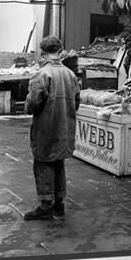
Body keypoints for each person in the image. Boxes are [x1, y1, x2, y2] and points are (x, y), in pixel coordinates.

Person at [24, 35, 80, 220]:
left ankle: (46, 204)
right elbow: (77, 101)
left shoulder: (42, 74)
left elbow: (33, 102)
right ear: (60, 50)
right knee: (58, 162)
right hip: (65, 126)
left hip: (46, 127)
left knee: (43, 162)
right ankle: (59, 202)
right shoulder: (70, 74)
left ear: (43, 52)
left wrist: (28, 106)